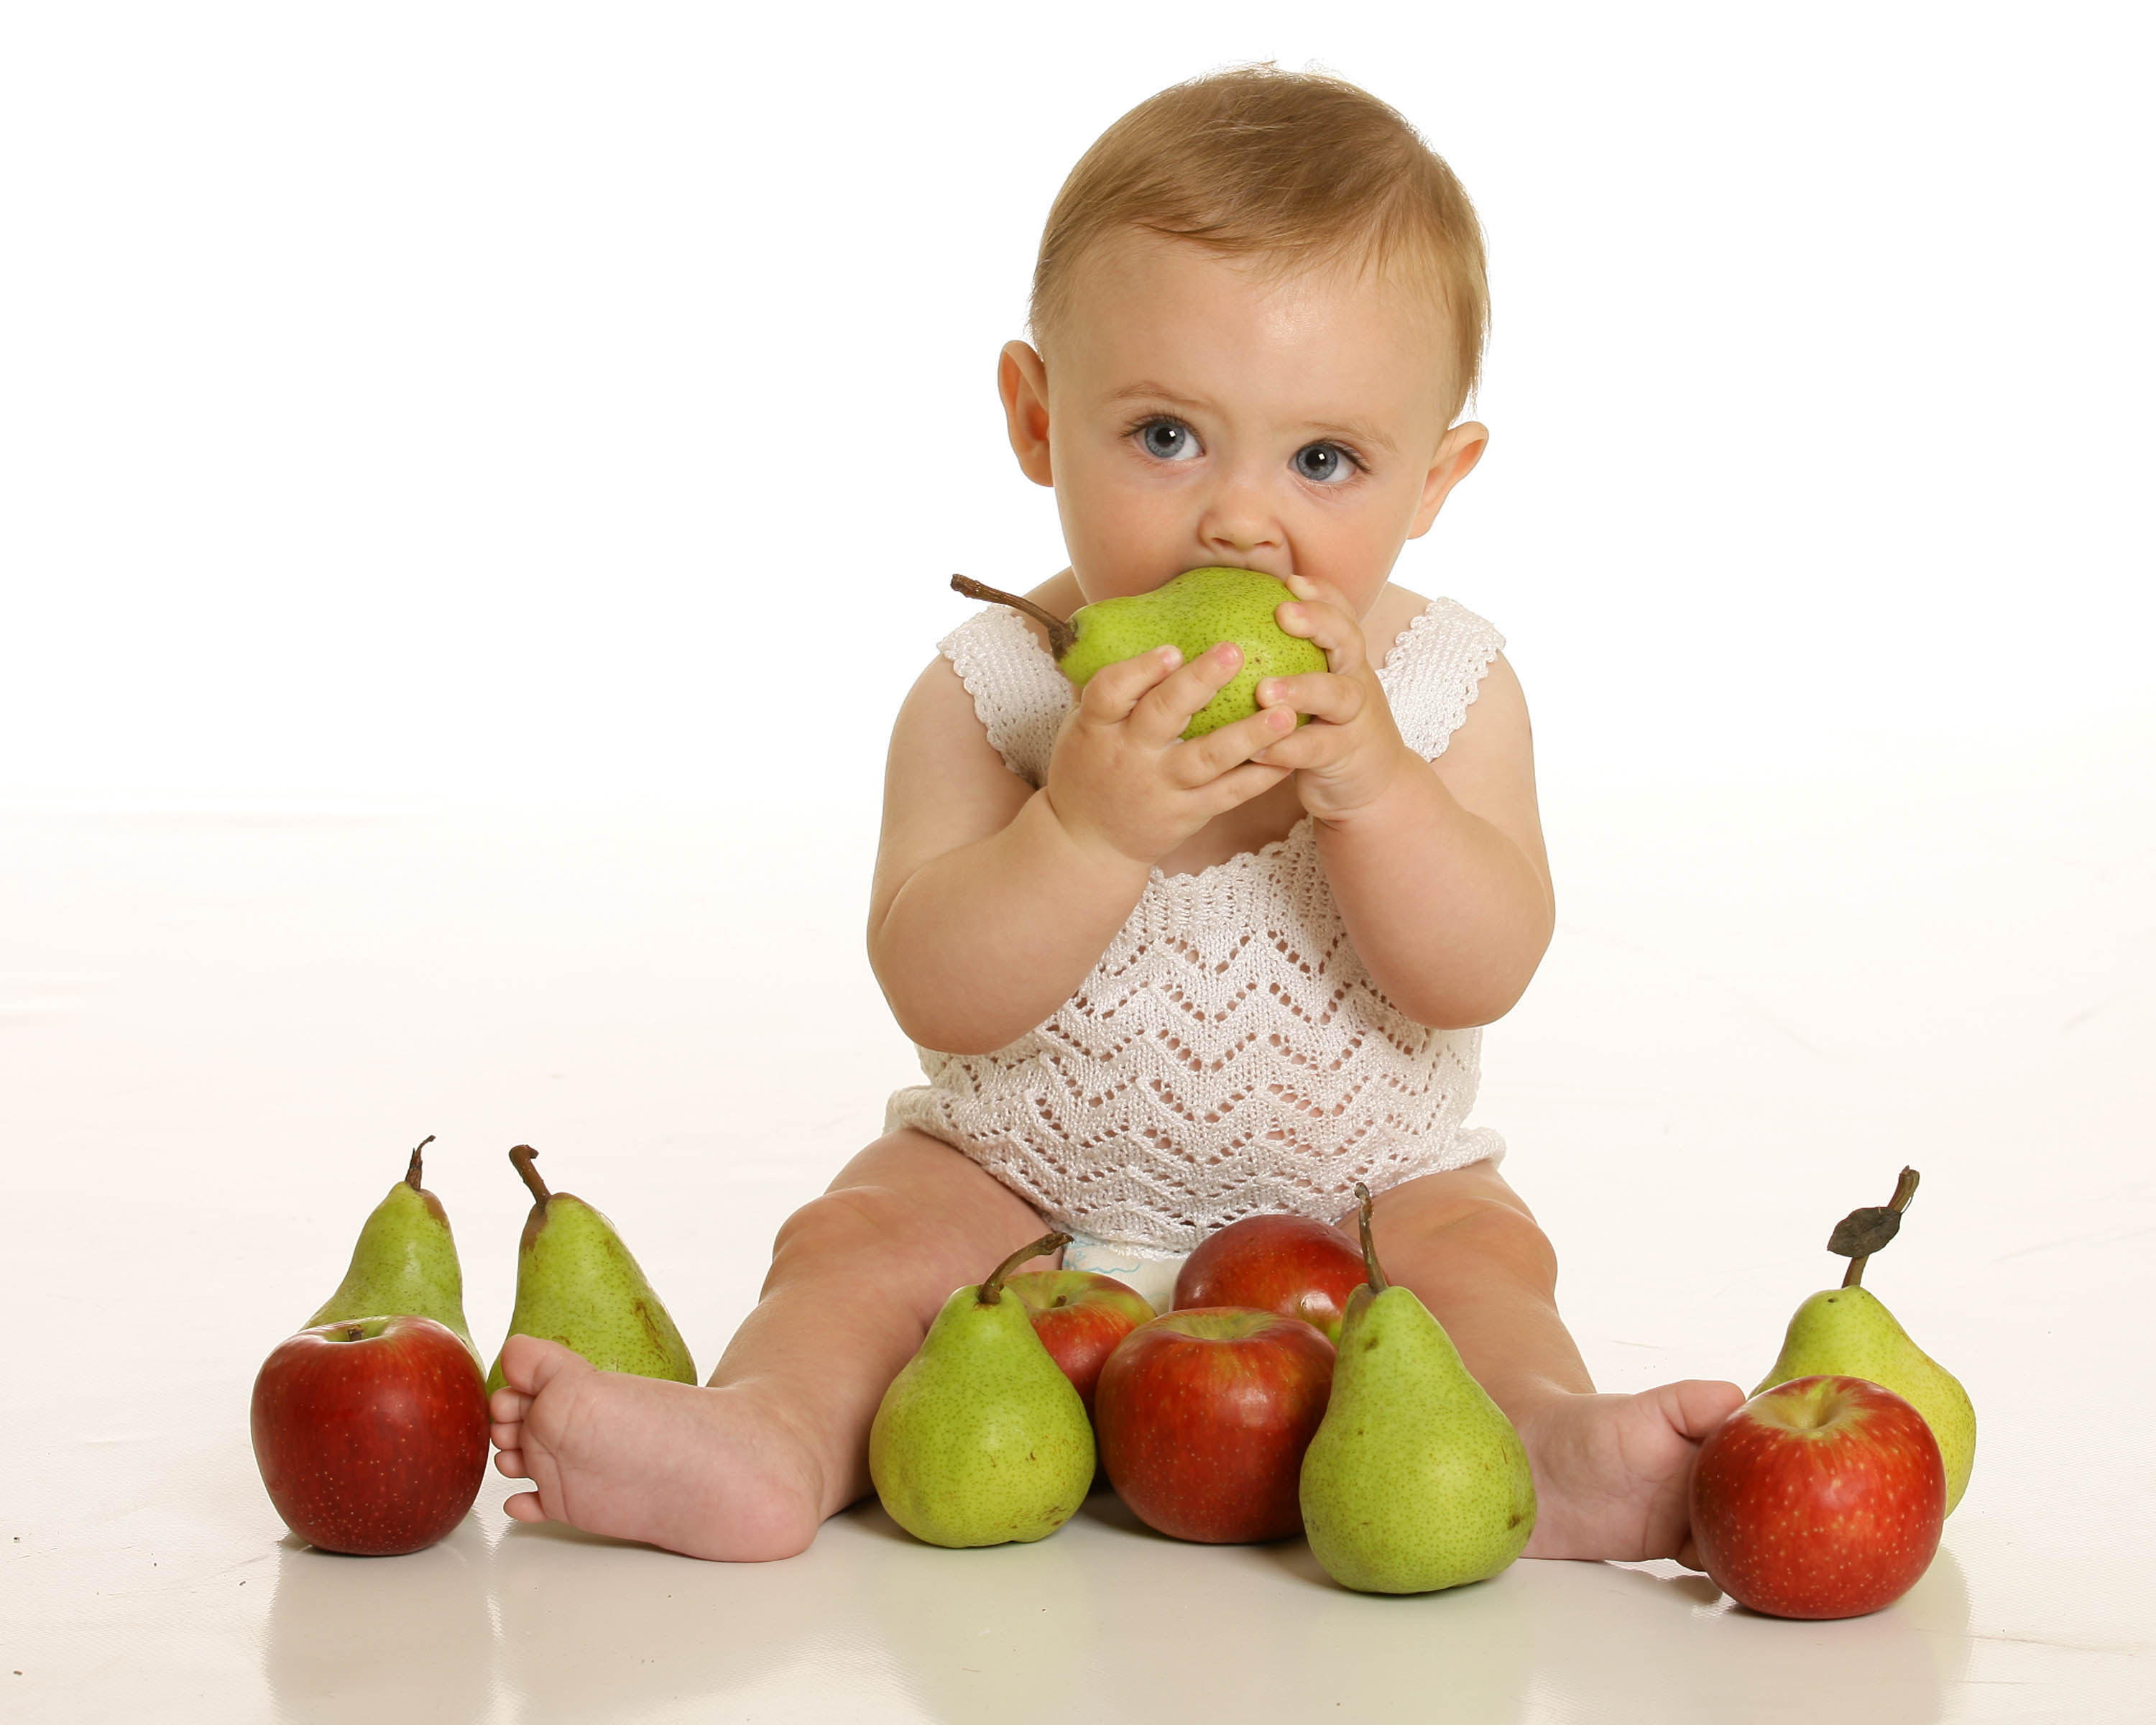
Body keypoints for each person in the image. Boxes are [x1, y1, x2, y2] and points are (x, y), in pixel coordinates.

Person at [488, 63, 1744, 1566]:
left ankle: (1538, 1444)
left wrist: (1376, 790)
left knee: (1482, 1254)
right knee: (863, 1238)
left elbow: (1478, 971)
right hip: (1019, 1186)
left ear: (1436, 479)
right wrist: (1081, 832)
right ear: (1035, 416)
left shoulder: (1441, 688)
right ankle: (770, 1437)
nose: (1236, 518)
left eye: (1326, 460)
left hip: (1365, 1201)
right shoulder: (996, 691)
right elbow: (938, 990)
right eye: (1165, 436)